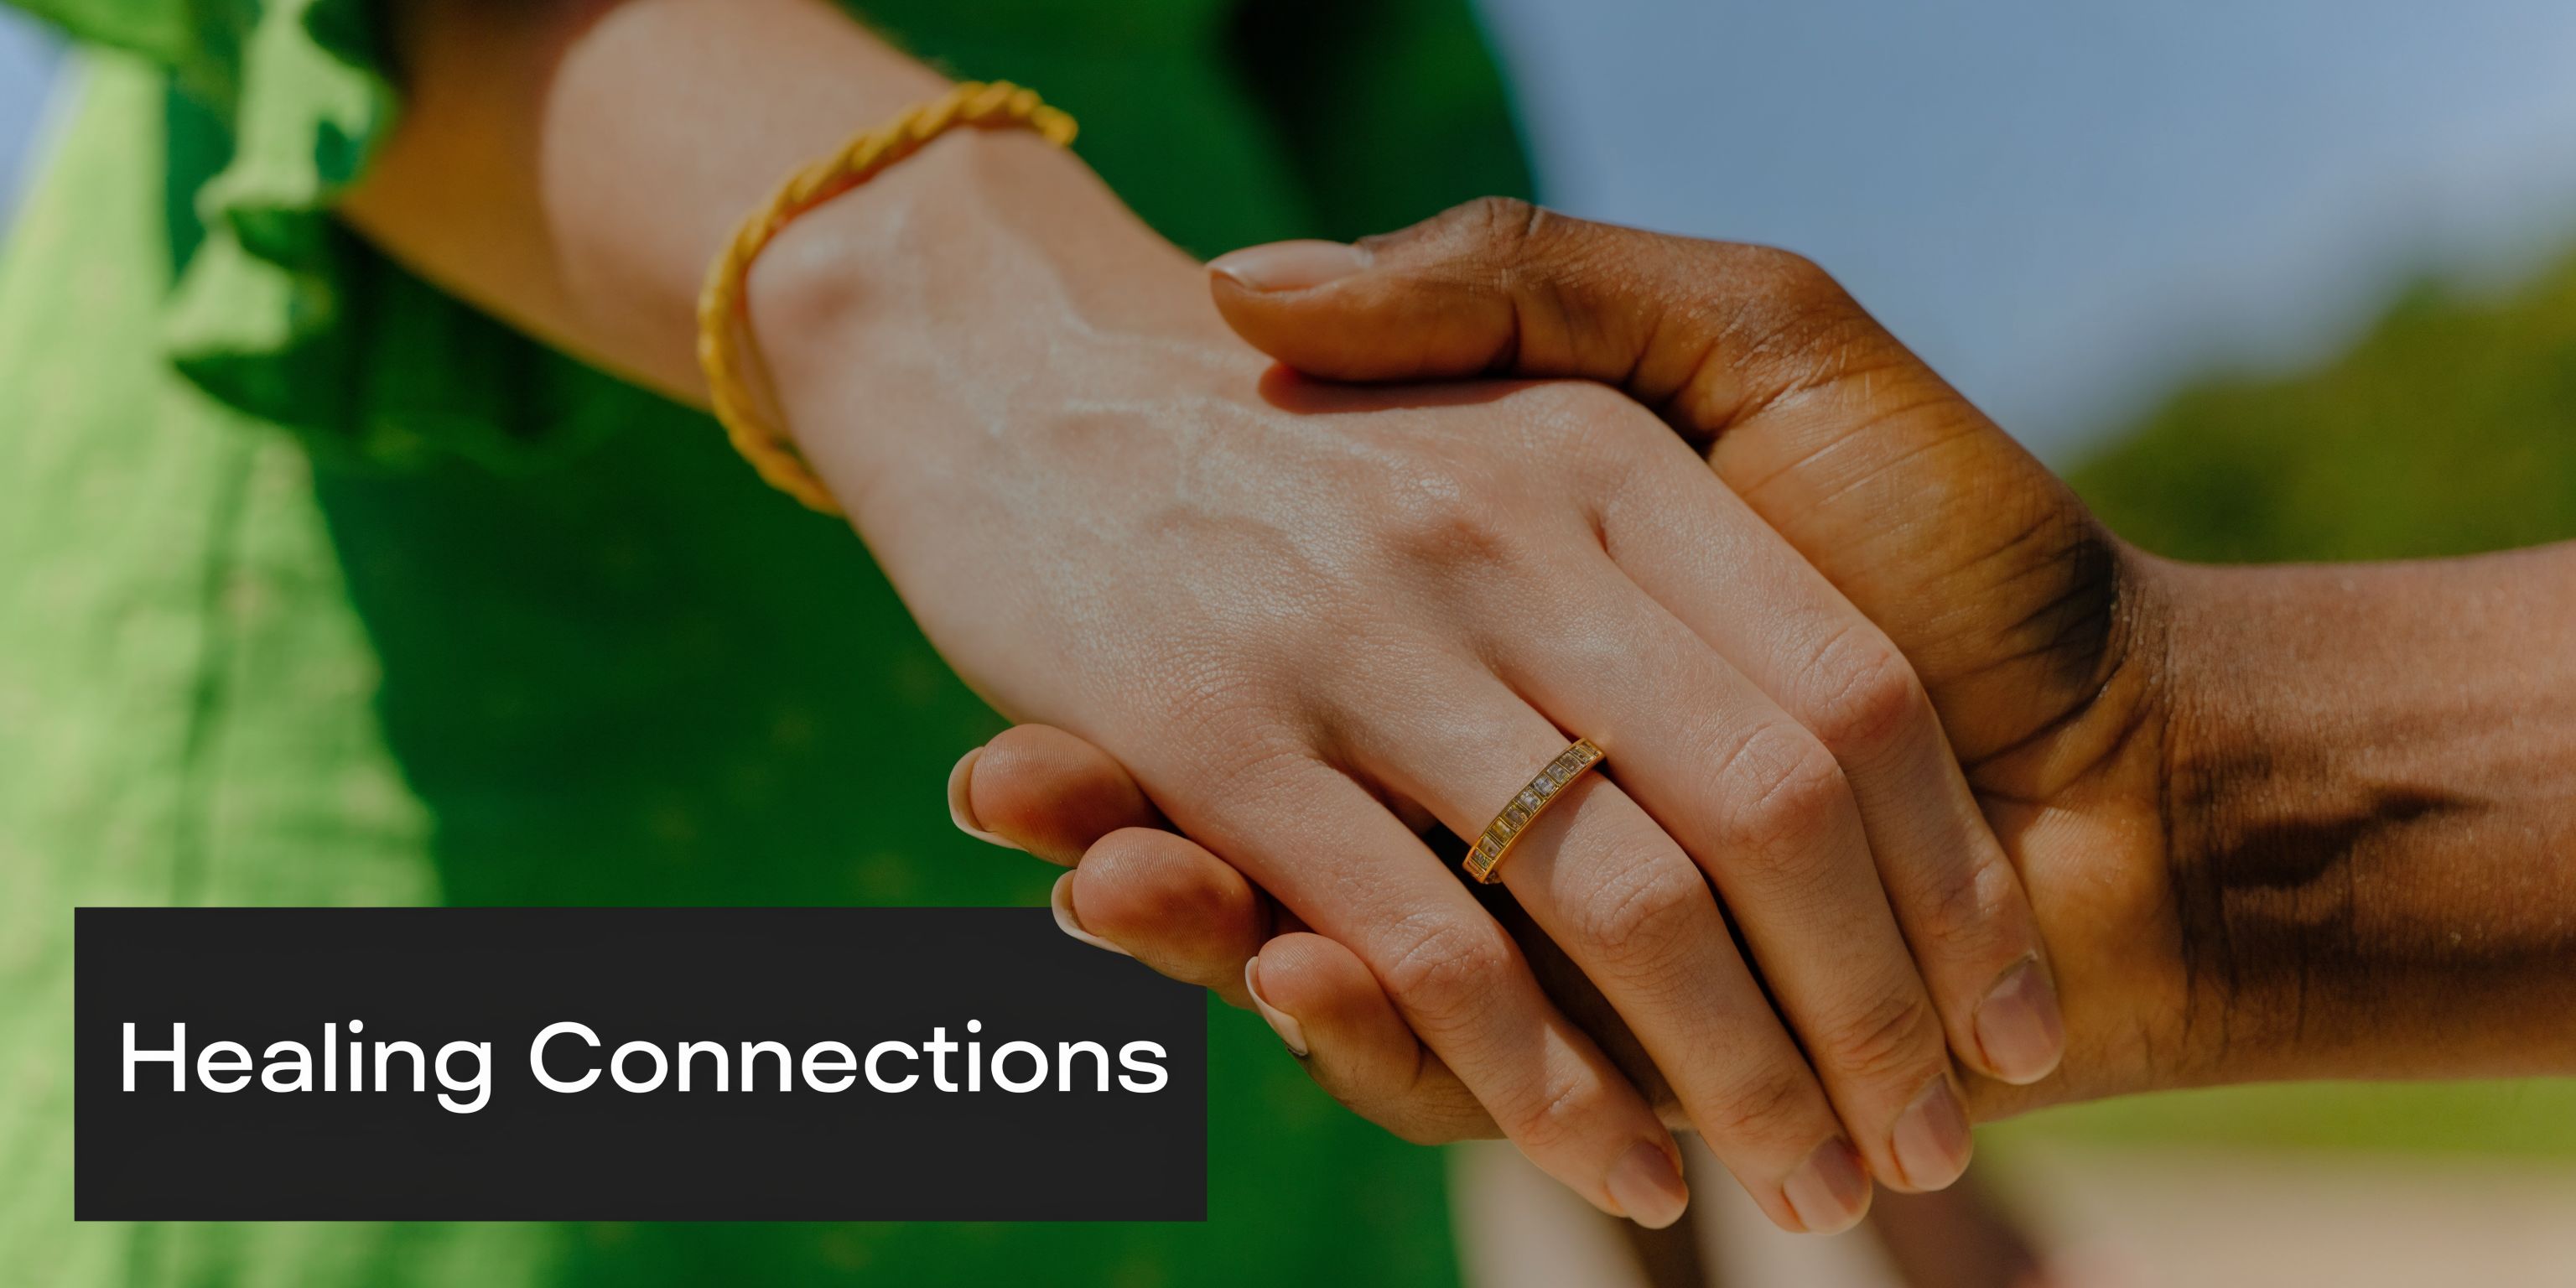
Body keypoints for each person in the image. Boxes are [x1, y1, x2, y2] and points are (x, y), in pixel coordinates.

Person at [0, 0, 2072, 1284]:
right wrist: (929, 297)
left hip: (1226, 926)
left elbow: (1420, 172)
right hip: (466, 825)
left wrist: (1885, 1160)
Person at [956, 200, 2576, 1162]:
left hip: (1269, 886)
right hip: (916, 956)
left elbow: (1393, 188)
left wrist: (2159, 806)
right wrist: (947, 330)